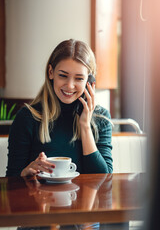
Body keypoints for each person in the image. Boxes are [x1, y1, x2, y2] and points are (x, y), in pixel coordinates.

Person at [6, 39, 113, 178]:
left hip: (84, 200)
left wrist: (85, 125)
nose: (69, 86)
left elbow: (104, 179)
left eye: (79, 78)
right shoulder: (27, 118)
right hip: (42, 198)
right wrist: (25, 173)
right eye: (63, 75)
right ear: (51, 72)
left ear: (89, 81)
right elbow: (11, 179)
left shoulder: (101, 118)